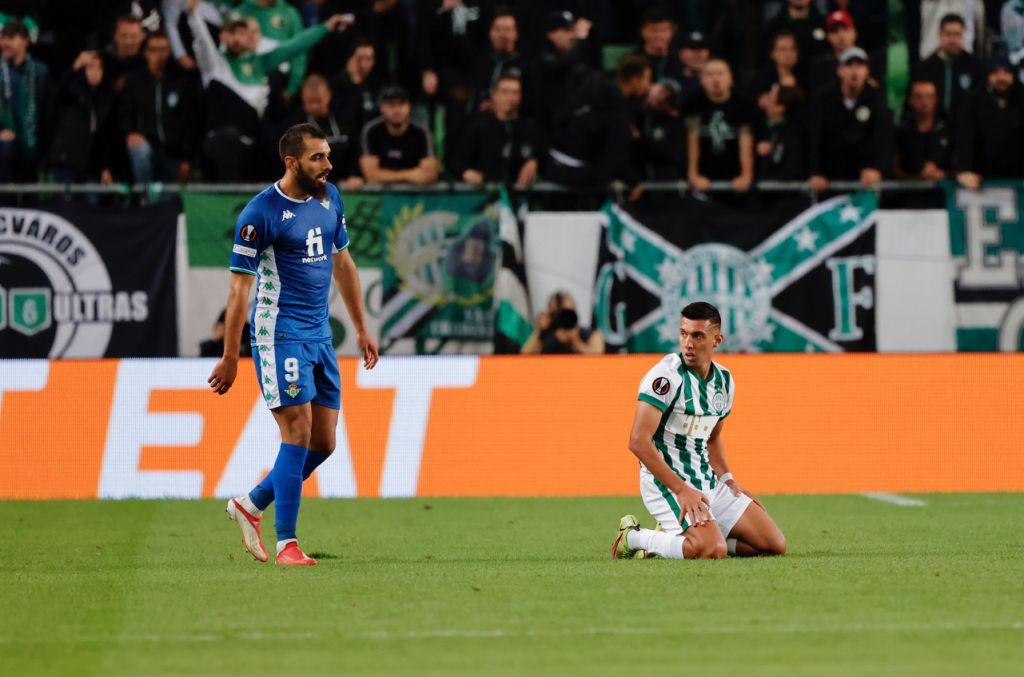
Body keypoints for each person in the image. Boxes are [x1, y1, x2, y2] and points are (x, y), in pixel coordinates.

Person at [209, 122, 379, 566]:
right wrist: (231, 356)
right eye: (317, 157)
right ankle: (288, 544)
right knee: (297, 432)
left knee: (323, 443)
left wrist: (360, 327)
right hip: (278, 333)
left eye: (327, 155)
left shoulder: (330, 197)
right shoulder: (260, 214)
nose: (328, 164)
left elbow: (344, 263)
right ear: (291, 162)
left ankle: (249, 504)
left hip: (320, 335)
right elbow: (237, 292)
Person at [612, 301, 786, 560]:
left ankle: (685, 536)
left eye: (697, 335)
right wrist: (681, 489)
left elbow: (713, 438)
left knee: (773, 544)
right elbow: (638, 442)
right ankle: (634, 538)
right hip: (667, 484)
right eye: (683, 333)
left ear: (717, 339)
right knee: (711, 550)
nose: (688, 343)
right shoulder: (665, 378)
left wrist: (727, 480)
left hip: (707, 483)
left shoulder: (724, 381)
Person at [118, 30, 201, 184]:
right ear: (145, 52)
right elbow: (124, 115)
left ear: (170, 51)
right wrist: (129, 133)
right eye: (153, 50)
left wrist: (187, 160)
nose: (159, 55)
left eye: (163, 49)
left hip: (174, 153)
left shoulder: (181, 81)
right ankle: (145, 198)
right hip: (148, 148)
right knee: (139, 150)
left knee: (172, 201)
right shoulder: (134, 82)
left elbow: (191, 123)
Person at [808, 47, 891, 191]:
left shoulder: (876, 98)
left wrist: (878, 170)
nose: (854, 71)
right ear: (839, 71)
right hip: (830, 180)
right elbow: (814, 137)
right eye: (849, 65)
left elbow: (884, 139)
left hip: (864, 179)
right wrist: (815, 172)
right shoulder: (823, 98)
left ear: (867, 71)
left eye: (860, 65)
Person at [454, 73, 544, 188]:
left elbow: (546, 155)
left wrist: (534, 161)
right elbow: (456, 161)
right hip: (485, 198)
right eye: (505, 92)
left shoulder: (530, 128)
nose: (510, 97)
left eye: (515, 92)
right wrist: (466, 172)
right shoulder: (478, 126)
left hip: (522, 198)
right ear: (494, 95)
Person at [684, 58, 756, 194]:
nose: (715, 79)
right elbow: (692, 137)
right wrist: (693, 175)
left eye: (720, 73)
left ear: (730, 78)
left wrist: (746, 175)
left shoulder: (744, 104)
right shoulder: (692, 103)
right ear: (702, 80)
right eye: (709, 75)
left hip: (733, 171)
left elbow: (746, 140)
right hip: (705, 172)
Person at [47, 51, 116, 188]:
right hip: (67, 161)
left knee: (90, 205)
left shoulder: (107, 99)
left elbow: (106, 137)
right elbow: (55, 96)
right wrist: (75, 67)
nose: (95, 72)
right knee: (64, 205)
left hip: (92, 166)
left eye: (99, 68)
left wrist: (106, 167)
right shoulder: (71, 94)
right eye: (90, 67)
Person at [955, 55, 1024, 190]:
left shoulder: (1021, 98)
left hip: (1018, 176)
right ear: (987, 75)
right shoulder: (973, 101)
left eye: (1006, 72)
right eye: (995, 73)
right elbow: (964, 137)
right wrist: (963, 170)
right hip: (980, 178)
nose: (1001, 78)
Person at [286, 74, 363, 191]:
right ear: (302, 98)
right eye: (309, 102)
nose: (314, 106)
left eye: (318, 101)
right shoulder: (294, 127)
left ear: (328, 95)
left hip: (347, 188)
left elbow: (355, 150)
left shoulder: (345, 120)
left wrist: (356, 174)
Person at [909, 13, 984, 130]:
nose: (952, 39)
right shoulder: (924, 68)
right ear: (939, 35)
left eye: (957, 34)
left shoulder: (974, 67)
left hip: (965, 131)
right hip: (932, 133)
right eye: (948, 34)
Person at [359, 84, 439, 185]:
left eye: (401, 104)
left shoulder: (421, 132)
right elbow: (371, 176)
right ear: (382, 108)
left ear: (409, 107)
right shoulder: (371, 131)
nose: (397, 110)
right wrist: (410, 175)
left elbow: (431, 174)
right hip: (380, 197)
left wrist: (384, 175)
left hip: (415, 196)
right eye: (391, 105)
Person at [0, 19, 48, 182]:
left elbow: (46, 110)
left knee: (29, 201)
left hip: (31, 146)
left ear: (25, 41)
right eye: (3, 37)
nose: (5, 42)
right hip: (4, 148)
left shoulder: (40, 72)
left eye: (11, 38)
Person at [894, 80, 950, 180]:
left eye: (929, 96)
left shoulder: (949, 130)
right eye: (919, 97)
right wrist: (918, 177)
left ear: (936, 99)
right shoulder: (901, 132)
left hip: (943, 192)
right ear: (910, 100)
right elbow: (894, 170)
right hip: (910, 192)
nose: (925, 101)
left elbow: (959, 166)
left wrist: (944, 174)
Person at [521, 291, 604, 355]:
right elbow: (525, 354)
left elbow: (599, 359)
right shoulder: (544, 336)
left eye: (568, 312)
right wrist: (540, 331)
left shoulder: (590, 335)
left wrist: (576, 343)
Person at [755, 84, 806, 181]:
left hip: (784, 192)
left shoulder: (795, 133)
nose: (765, 102)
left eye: (770, 99)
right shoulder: (760, 126)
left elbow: (793, 168)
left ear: (780, 107)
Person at [104, 14, 146, 92]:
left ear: (142, 37)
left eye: (133, 36)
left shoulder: (149, 62)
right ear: (115, 36)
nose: (128, 41)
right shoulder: (102, 62)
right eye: (124, 35)